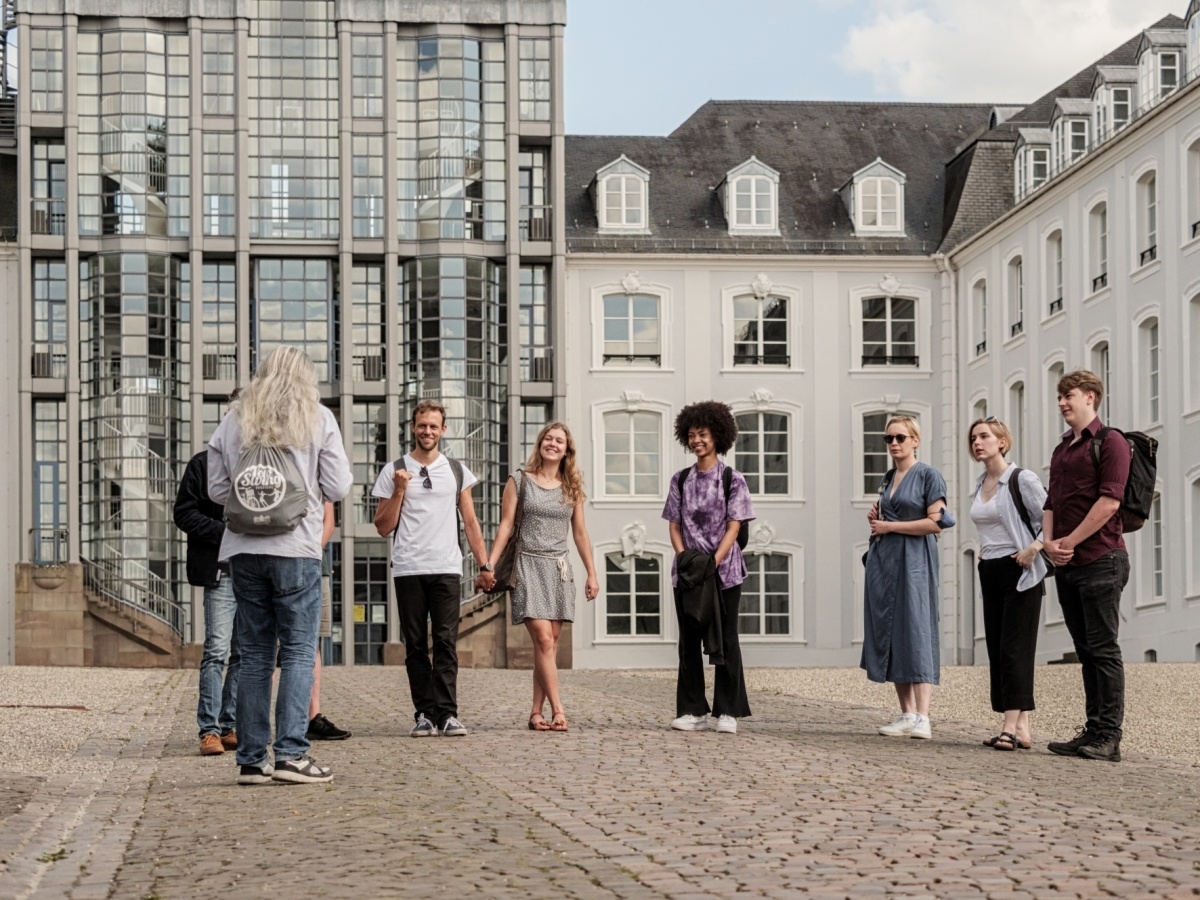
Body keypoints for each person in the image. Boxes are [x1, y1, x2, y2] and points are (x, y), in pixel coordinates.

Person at [209, 346, 353, 785]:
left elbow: (217, 490)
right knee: (295, 652)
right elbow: (339, 484)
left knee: (253, 655)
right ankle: (291, 755)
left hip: (245, 548)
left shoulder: (235, 419)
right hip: (296, 547)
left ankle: (252, 760)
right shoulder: (317, 417)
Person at [372, 399, 491, 738]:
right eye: (422, 425)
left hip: (446, 567)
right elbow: (382, 526)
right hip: (409, 567)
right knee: (414, 645)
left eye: (433, 426)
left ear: (443, 429)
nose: (427, 431)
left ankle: (448, 714)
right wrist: (399, 489)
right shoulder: (393, 469)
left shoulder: (456, 470)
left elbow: (470, 521)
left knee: (445, 642)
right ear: (413, 427)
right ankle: (424, 713)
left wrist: (484, 565)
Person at [480, 422, 599, 732]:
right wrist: (489, 564)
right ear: (540, 443)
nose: (553, 443)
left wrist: (592, 573)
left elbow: (581, 533)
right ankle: (559, 709)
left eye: (559, 440)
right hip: (527, 567)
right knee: (544, 640)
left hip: (559, 570)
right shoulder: (520, 481)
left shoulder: (572, 488)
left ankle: (535, 712)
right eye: (549, 438)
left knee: (548, 645)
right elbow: (506, 526)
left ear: (566, 449)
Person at [1043, 370, 1131, 763]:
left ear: (1091, 398)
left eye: (1069, 396)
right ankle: (1093, 731)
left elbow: (1110, 502)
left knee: (1103, 649)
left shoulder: (1110, 442)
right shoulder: (1063, 449)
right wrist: (1049, 544)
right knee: (1084, 650)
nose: (1062, 402)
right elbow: (1051, 503)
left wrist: (1070, 542)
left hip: (1101, 559)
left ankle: (1109, 736)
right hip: (1067, 563)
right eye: (1060, 396)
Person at [662, 401, 755, 735]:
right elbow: (673, 524)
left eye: (702, 434)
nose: (697, 440)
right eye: (691, 435)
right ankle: (691, 710)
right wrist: (686, 558)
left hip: (725, 573)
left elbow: (734, 525)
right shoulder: (681, 479)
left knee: (726, 640)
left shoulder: (733, 479)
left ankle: (727, 711)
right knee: (688, 640)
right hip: (687, 574)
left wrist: (712, 562)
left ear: (717, 435)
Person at [863, 416, 952, 740]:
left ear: (916, 439)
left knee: (917, 628)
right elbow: (889, 517)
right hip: (885, 562)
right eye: (889, 439)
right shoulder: (889, 477)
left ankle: (924, 717)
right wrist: (878, 518)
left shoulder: (928, 475)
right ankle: (907, 712)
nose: (894, 444)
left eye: (900, 437)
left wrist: (891, 526)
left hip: (915, 561)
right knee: (891, 629)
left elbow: (936, 522)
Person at [967, 417, 1049, 751]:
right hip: (991, 569)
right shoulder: (980, 481)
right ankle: (1023, 729)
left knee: (1016, 647)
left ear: (1002, 442)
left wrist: (1034, 547)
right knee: (999, 648)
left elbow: (1052, 517)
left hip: (1021, 569)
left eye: (984, 436)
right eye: (973, 438)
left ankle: (1008, 728)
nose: (977, 442)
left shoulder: (1022, 478)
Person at [174, 444, 239, 757]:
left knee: (244, 654)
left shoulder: (261, 461)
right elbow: (183, 512)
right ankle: (209, 730)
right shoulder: (202, 464)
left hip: (254, 570)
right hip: (220, 571)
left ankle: (229, 726)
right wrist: (224, 532)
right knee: (216, 650)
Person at [307, 501, 350, 741]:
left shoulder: (318, 464)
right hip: (278, 560)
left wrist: (310, 553)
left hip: (315, 565)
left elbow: (329, 521)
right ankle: (259, 723)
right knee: (268, 646)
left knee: (313, 642)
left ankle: (313, 717)